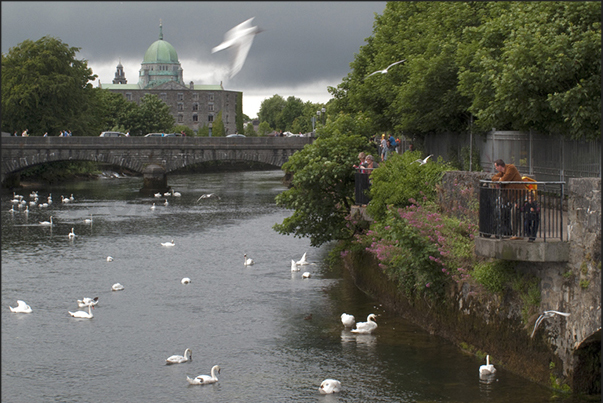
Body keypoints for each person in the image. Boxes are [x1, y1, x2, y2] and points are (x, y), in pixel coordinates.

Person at [491, 159, 525, 239]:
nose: (496, 169)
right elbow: (493, 178)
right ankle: (514, 233)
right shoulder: (503, 172)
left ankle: (517, 234)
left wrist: (500, 180)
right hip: (512, 196)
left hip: (519, 194)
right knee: (512, 212)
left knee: (515, 212)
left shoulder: (511, 168)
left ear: (499, 166)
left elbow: (504, 180)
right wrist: (499, 179)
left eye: (496, 167)